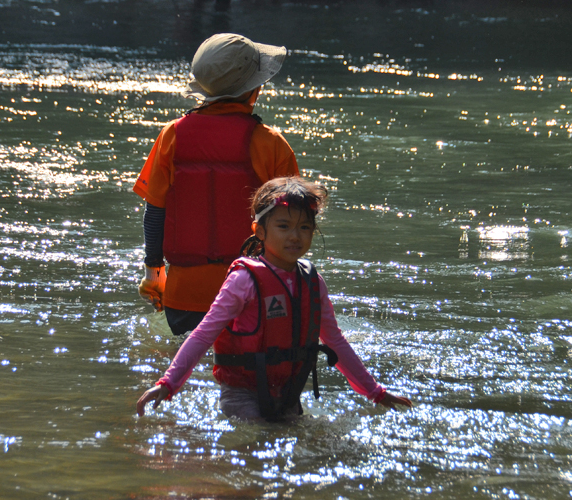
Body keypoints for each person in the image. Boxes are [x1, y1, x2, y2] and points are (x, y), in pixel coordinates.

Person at [136, 177, 413, 421]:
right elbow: (203, 334)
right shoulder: (244, 281)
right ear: (259, 230)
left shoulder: (312, 281)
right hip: (242, 396)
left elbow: (335, 342)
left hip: (289, 395)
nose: (295, 236)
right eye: (284, 226)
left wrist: (376, 393)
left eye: (304, 227)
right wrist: (168, 383)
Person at [133, 33, 299, 336]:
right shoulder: (272, 145)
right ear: (255, 88)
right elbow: (292, 225)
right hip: (252, 292)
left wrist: (153, 272)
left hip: (184, 297)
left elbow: (155, 211)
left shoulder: (171, 136)